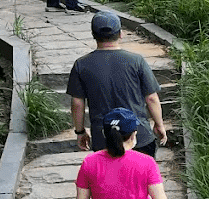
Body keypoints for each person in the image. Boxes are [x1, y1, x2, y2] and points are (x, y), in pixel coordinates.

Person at [68, 11, 167, 156]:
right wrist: (159, 125)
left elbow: (77, 103)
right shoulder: (136, 61)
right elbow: (151, 98)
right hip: (138, 136)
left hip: (104, 138)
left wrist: (80, 131)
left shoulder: (81, 65)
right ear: (120, 34)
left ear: (94, 35)